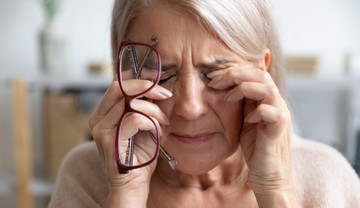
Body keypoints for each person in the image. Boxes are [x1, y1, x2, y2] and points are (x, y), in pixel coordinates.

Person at [48, 0, 360, 207]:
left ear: (261, 72)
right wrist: (126, 195)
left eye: (215, 74)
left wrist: (276, 189)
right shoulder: (86, 178)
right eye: (163, 75)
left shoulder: (327, 180)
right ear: (125, 74)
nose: (190, 107)